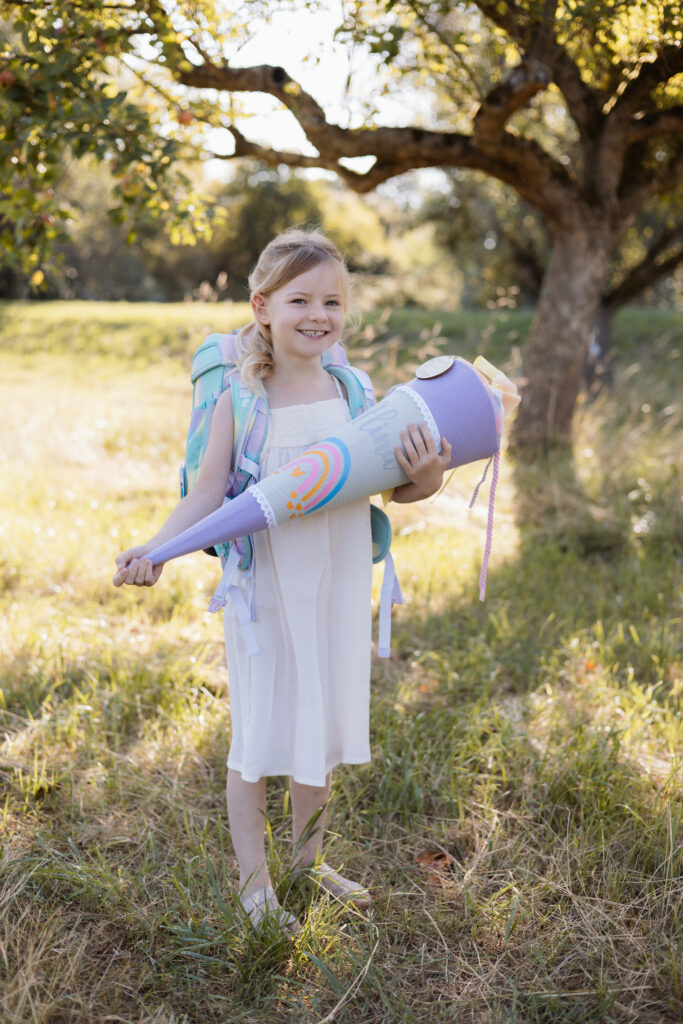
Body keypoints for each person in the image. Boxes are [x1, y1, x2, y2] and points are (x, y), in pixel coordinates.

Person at [113, 228, 452, 934]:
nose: (317, 314)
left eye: (332, 300)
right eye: (300, 299)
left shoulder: (355, 391)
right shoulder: (243, 399)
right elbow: (207, 495)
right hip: (265, 590)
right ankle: (255, 886)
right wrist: (158, 547)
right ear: (262, 306)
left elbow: (397, 490)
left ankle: (306, 862)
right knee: (261, 731)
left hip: (335, 588)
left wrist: (427, 476)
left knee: (320, 726)